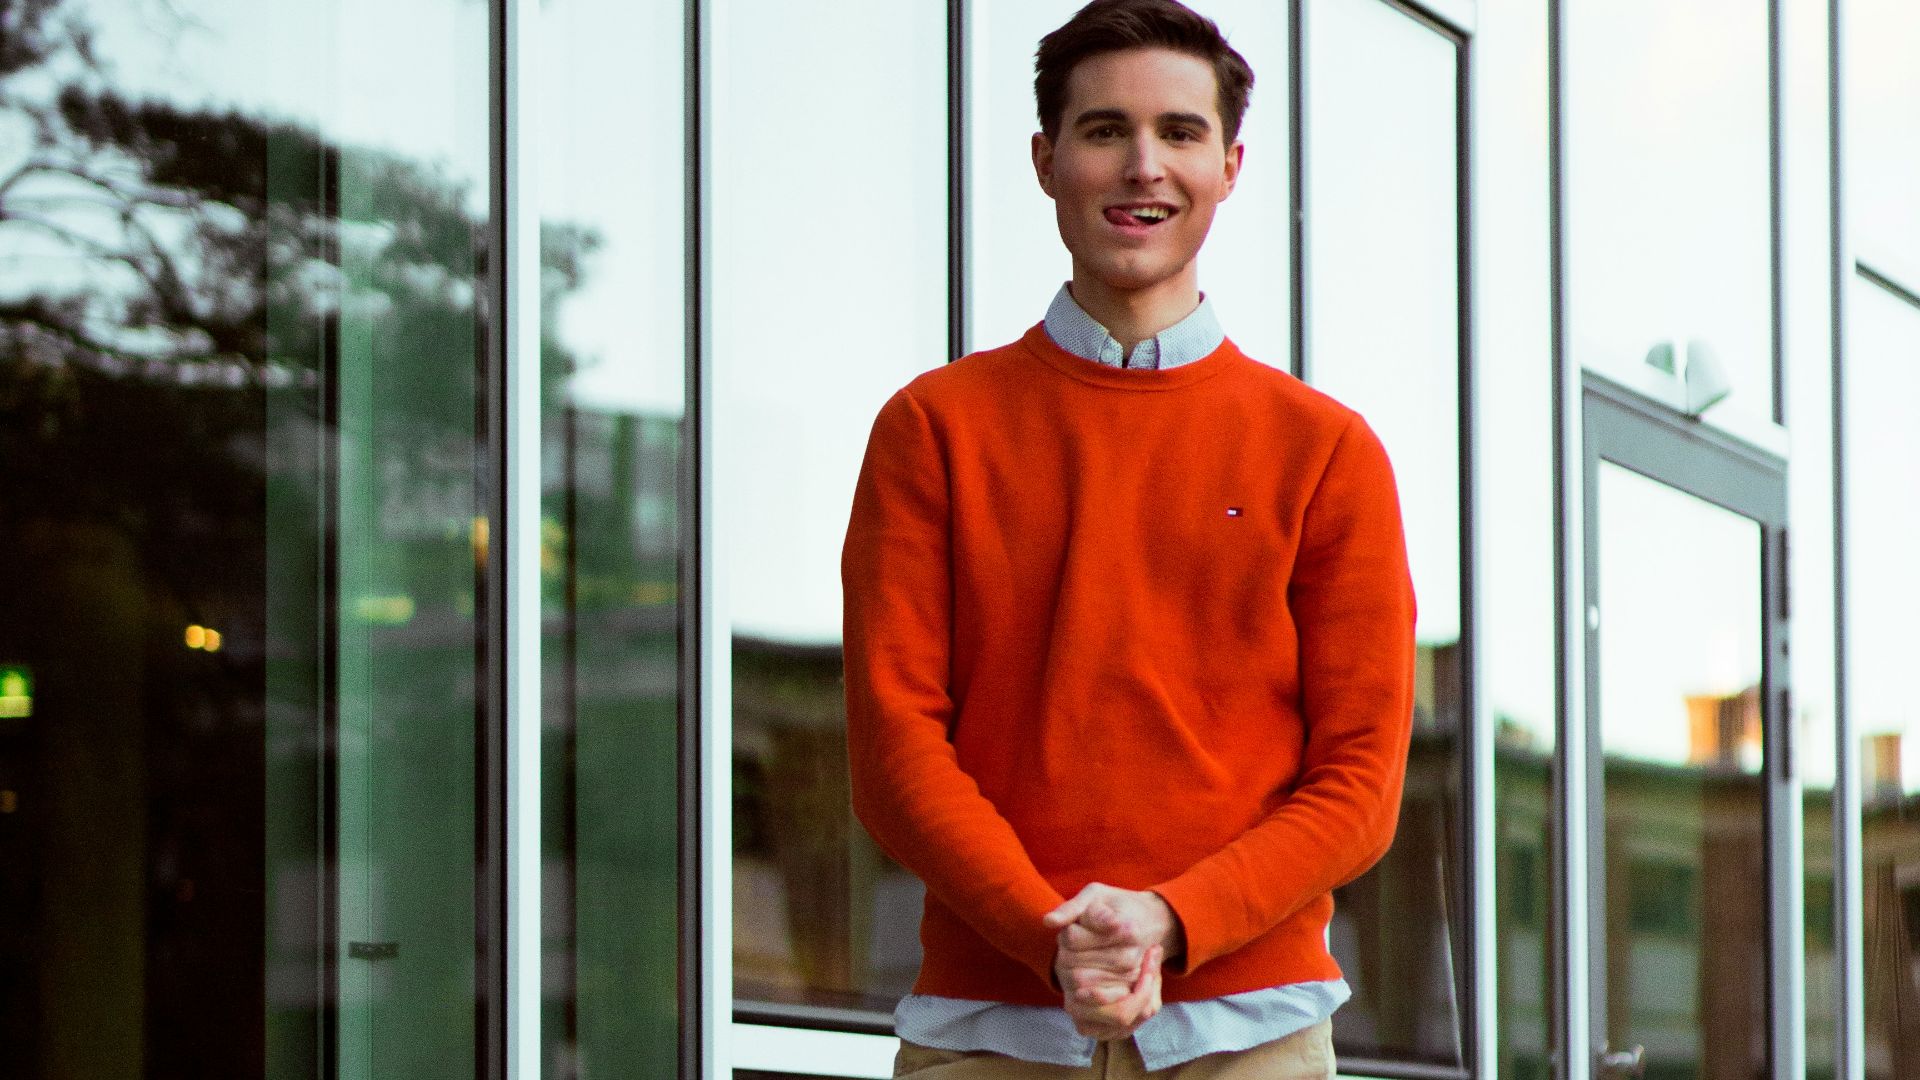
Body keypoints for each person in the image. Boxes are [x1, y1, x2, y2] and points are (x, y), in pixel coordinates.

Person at [841, 1, 1416, 1075]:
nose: (1142, 165)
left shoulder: (1326, 451)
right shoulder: (933, 430)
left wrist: (1172, 919)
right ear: (1045, 159)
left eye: (1180, 133)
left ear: (1231, 165)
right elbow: (895, 750)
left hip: (1252, 1033)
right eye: (1104, 131)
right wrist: (1051, 938)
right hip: (989, 1030)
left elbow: (1360, 782)